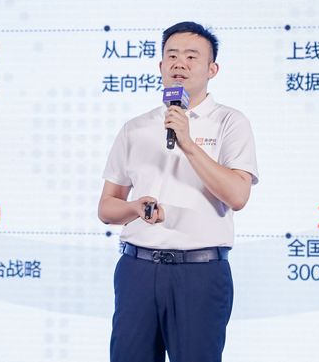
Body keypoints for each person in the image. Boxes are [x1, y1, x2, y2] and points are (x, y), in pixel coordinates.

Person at [98, 21, 259, 362]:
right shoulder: (135, 128)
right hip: (137, 269)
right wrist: (135, 208)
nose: (179, 63)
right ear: (160, 66)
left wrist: (187, 143)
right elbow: (107, 208)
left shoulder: (230, 122)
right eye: (171, 55)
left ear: (212, 69)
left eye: (191, 56)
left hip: (200, 272)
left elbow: (237, 196)